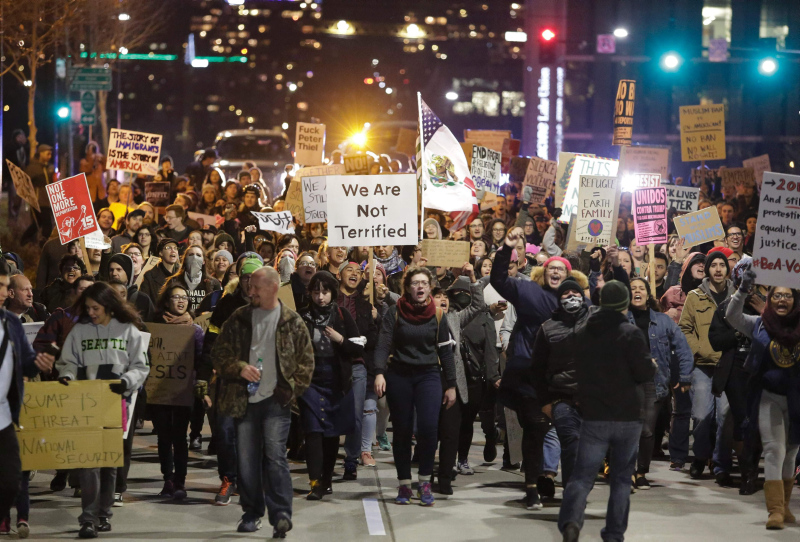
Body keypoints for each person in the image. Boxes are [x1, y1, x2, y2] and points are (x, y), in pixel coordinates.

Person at [212, 267, 313, 537]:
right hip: (243, 401)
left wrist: (290, 388)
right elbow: (219, 354)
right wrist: (239, 368)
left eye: (256, 286)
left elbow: (306, 363)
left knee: (275, 457)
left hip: (276, 403)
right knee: (246, 460)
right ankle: (251, 512)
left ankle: (280, 514)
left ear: (272, 288)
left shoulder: (292, 322)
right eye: (248, 284)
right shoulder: (239, 318)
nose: (250, 290)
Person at [558, 280, 656, 542]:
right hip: (627, 416)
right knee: (622, 480)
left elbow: (578, 369)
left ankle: (570, 522)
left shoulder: (583, 332)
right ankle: (613, 535)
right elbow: (644, 373)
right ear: (624, 304)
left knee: (582, 476)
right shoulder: (631, 333)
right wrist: (652, 365)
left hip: (594, 415)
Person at [55, 282, 149, 539]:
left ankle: (103, 514)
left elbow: (141, 367)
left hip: (115, 404)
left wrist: (125, 383)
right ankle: (87, 518)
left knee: (108, 464)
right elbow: (69, 361)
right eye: (87, 308)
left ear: (108, 305)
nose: (91, 312)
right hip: (86, 404)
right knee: (89, 464)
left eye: (95, 308)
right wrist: (67, 376)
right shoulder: (80, 331)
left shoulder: (128, 330)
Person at [373, 267, 456, 507]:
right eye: (415, 283)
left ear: (430, 288)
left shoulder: (439, 315)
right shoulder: (393, 312)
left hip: (429, 375)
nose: (419, 287)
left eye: (424, 283)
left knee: (429, 428)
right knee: (402, 430)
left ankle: (425, 482)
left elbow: (446, 352)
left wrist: (450, 385)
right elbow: (383, 344)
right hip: (400, 375)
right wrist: (379, 372)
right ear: (407, 288)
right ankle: (404, 484)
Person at [726, 266, 800, 530]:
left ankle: (786, 507)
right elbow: (731, 316)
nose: (782, 300)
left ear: (795, 299)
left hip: (797, 401)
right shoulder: (758, 324)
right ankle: (775, 511)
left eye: (788, 295)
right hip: (768, 397)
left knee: (790, 454)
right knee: (774, 450)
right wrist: (742, 289)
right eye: (777, 295)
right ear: (769, 298)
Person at [0, 260, 57, 540]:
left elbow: (27, 363)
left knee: (13, 477)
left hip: (5, 416)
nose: (1, 291)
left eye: (3, 285)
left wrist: (40, 363)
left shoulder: (11, 322)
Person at [299, 271, 363, 499]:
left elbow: (358, 348)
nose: (320, 297)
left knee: (331, 435)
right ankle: (315, 483)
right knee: (313, 432)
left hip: (337, 383)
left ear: (333, 293)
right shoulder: (302, 316)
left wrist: (340, 340)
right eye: (316, 292)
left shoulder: (342, 315)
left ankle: (327, 480)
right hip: (310, 382)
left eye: (325, 292)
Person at [627, 277, 694, 490]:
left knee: (646, 430)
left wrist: (684, 377)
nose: (637, 292)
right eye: (632, 288)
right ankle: (625, 470)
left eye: (641, 288)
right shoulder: (619, 319)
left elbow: (683, 349)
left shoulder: (663, 321)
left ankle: (641, 472)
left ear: (648, 294)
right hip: (624, 383)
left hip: (652, 383)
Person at [708, 256, 764, 495]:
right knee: (744, 421)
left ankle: (758, 467)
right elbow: (715, 339)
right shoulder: (726, 307)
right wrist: (738, 336)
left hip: (763, 369)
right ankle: (747, 473)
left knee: (763, 424)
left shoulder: (771, 306)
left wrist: (764, 309)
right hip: (736, 370)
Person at [679, 249, 734, 480]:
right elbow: (684, 328)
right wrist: (699, 350)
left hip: (729, 366)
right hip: (702, 366)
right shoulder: (694, 296)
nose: (718, 269)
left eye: (722, 265)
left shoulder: (737, 296)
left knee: (725, 417)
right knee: (701, 415)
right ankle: (701, 457)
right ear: (708, 270)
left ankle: (721, 465)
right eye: (714, 265)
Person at [151, 283, 205, 501]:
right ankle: (167, 479)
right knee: (164, 436)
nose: (181, 301)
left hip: (184, 391)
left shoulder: (196, 330)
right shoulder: (155, 328)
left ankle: (180, 480)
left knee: (180, 436)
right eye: (176, 297)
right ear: (167, 301)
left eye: (184, 297)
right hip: (160, 390)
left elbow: (201, 358)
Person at [336, 261, 378, 477]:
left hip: (357, 364)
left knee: (356, 414)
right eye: (349, 270)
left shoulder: (365, 306)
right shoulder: (329, 300)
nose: (354, 274)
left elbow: (373, 336)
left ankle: (351, 458)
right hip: (333, 364)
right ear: (339, 274)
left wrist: (364, 337)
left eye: (359, 272)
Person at [165, 245, 222, 314]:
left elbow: (219, 308)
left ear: (204, 261)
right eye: (191, 255)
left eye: (198, 255)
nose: (194, 258)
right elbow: (164, 304)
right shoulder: (173, 281)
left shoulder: (213, 283)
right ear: (185, 259)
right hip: (179, 322)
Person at [22, 144, 55, 245]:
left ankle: (24, 240)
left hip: (47, 200)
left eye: (50, 154)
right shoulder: (33, 168)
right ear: (40, 153)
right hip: (38, 200)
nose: (49, 156)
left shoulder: (48, 167)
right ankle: (43, 244)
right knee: (47, 224)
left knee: (37, 224)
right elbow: (25, 182)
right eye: (47, 154)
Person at [107, 253, 155, 321]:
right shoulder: (103, 297)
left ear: (128, 272)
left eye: (119, 270)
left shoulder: (142, 299)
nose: (114, 273)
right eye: (111, 270)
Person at [140, 239, 181, 303]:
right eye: (169, 248)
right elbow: (144, 303)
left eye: (175, 248)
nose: (173, 251)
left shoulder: (181, 275)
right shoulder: (150, 276)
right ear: (160, 253)